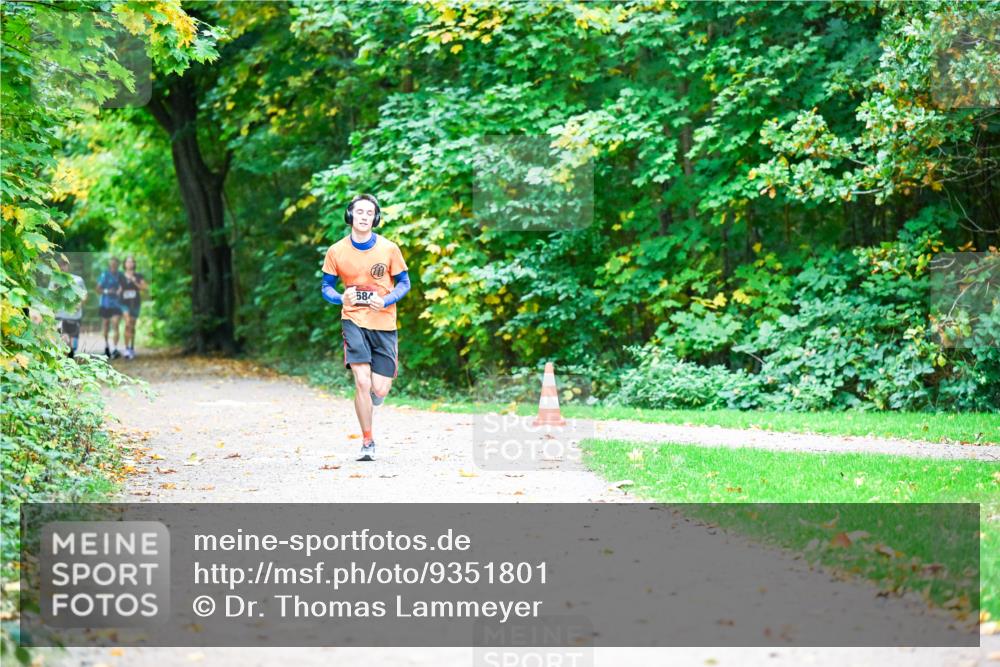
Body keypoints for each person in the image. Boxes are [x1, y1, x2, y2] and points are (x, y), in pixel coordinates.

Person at [320, 194, 411, 462]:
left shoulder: (389, 249)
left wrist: (386, 300)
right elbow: (326, 287)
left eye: (369, 213)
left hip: (384, 323)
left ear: (375, 218)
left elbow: (405, 283)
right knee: (362, 381)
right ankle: (367, 441)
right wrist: (341, 298)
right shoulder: (336, 251)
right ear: (350, 215)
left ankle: (373, 397)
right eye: (359, 211)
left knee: (379, 390)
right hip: (353, 320)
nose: (364, 217)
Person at [54, 256, 86, 358]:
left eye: (64, 265)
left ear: (68, 266)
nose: (62, 267)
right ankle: (65, 361)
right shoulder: (54, 280)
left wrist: (80, 304)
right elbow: (50, 295)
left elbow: (85, 294)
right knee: (64, 339)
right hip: (60, 315)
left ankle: (71, 354)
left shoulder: (78, 280)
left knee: (73, 345)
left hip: (74, 316)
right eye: (60, 265)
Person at [119, 255, 148, 359]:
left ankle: (131, 347)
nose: (130, 264)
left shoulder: (138, 275)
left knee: (132, 325)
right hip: (124, 303)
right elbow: (117, 288)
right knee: (127, 323)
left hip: (135, 303)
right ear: (124, 264)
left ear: (134, 264)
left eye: (131, 262)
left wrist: (134, 280)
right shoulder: (120, 276)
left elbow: (144, 288)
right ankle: (126, 349)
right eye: (128, 262)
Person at [96, 256, 124, 358]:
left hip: (117, 304)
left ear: (118, 265)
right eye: (111, 264)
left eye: (115, 264)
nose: (113, 266)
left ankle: (115, 349)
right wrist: (107, 291)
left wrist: (121, 290)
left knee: (115, 324)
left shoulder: (121, 275)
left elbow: (124, 287)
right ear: (109, 265)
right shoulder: (104, 274)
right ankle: (107, 347)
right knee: (106, 325)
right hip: (105, 303)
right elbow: (98, 289)